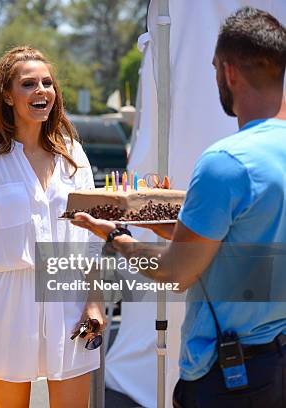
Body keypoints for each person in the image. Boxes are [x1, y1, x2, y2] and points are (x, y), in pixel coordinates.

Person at [72, 7, 285, 407]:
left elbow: (175, 273)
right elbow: (242, 245)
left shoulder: (226, 162)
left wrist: (116, 237)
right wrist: (174, 229)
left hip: (231, 373)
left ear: (228, 72)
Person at [0, 46, 102, 407]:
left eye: (47, 83)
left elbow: (94, 237)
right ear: (7, 95)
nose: (41, 90)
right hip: (8, 299)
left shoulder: (73, 156)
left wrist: (95, 302)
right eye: (29, 84)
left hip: (67, 293)